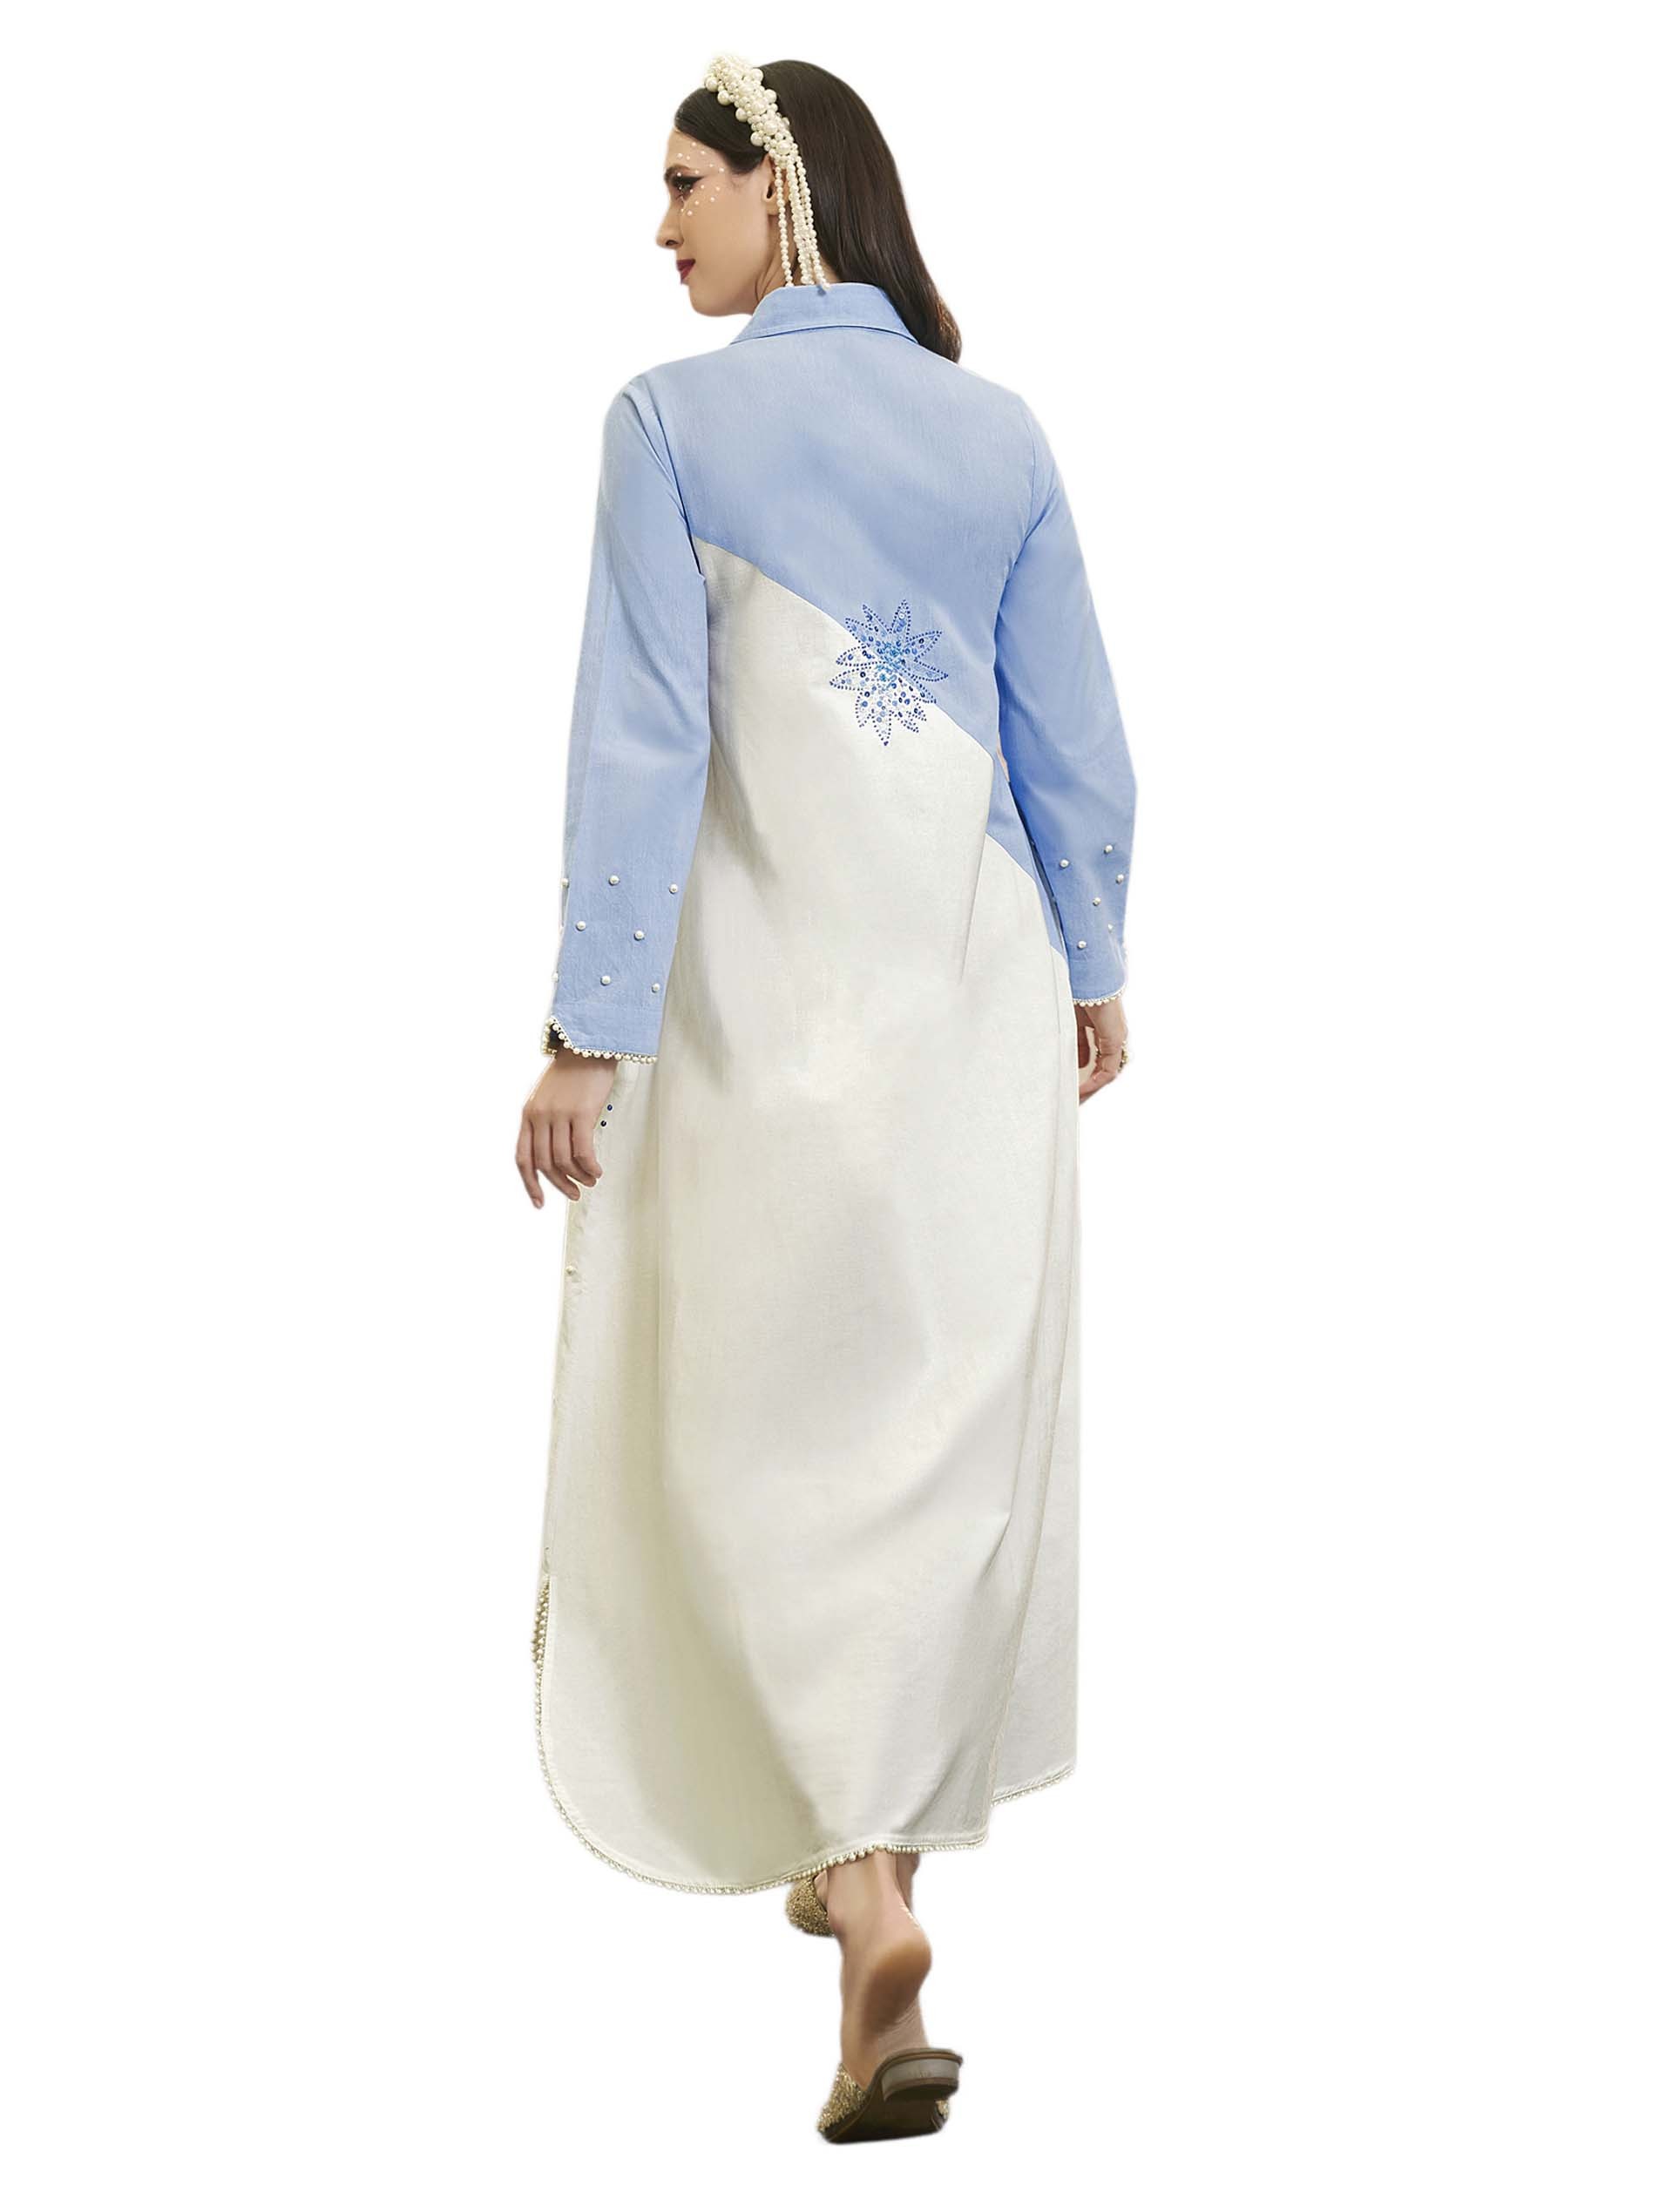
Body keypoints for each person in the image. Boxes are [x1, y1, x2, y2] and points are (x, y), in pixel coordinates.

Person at [514, 52, 1135, 2143]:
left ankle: (862, 1893)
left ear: (779, 189)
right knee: (926, 1450)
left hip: (762, 1023)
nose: (660, 224)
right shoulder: (998, 433)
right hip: (975, 1008)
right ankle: (872, 1876)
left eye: (684, 183)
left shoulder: (668, 425)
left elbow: (640, 743)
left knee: (755, 1439)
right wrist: (1097, 965)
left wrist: (587, 1028)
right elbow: (1075, 738)